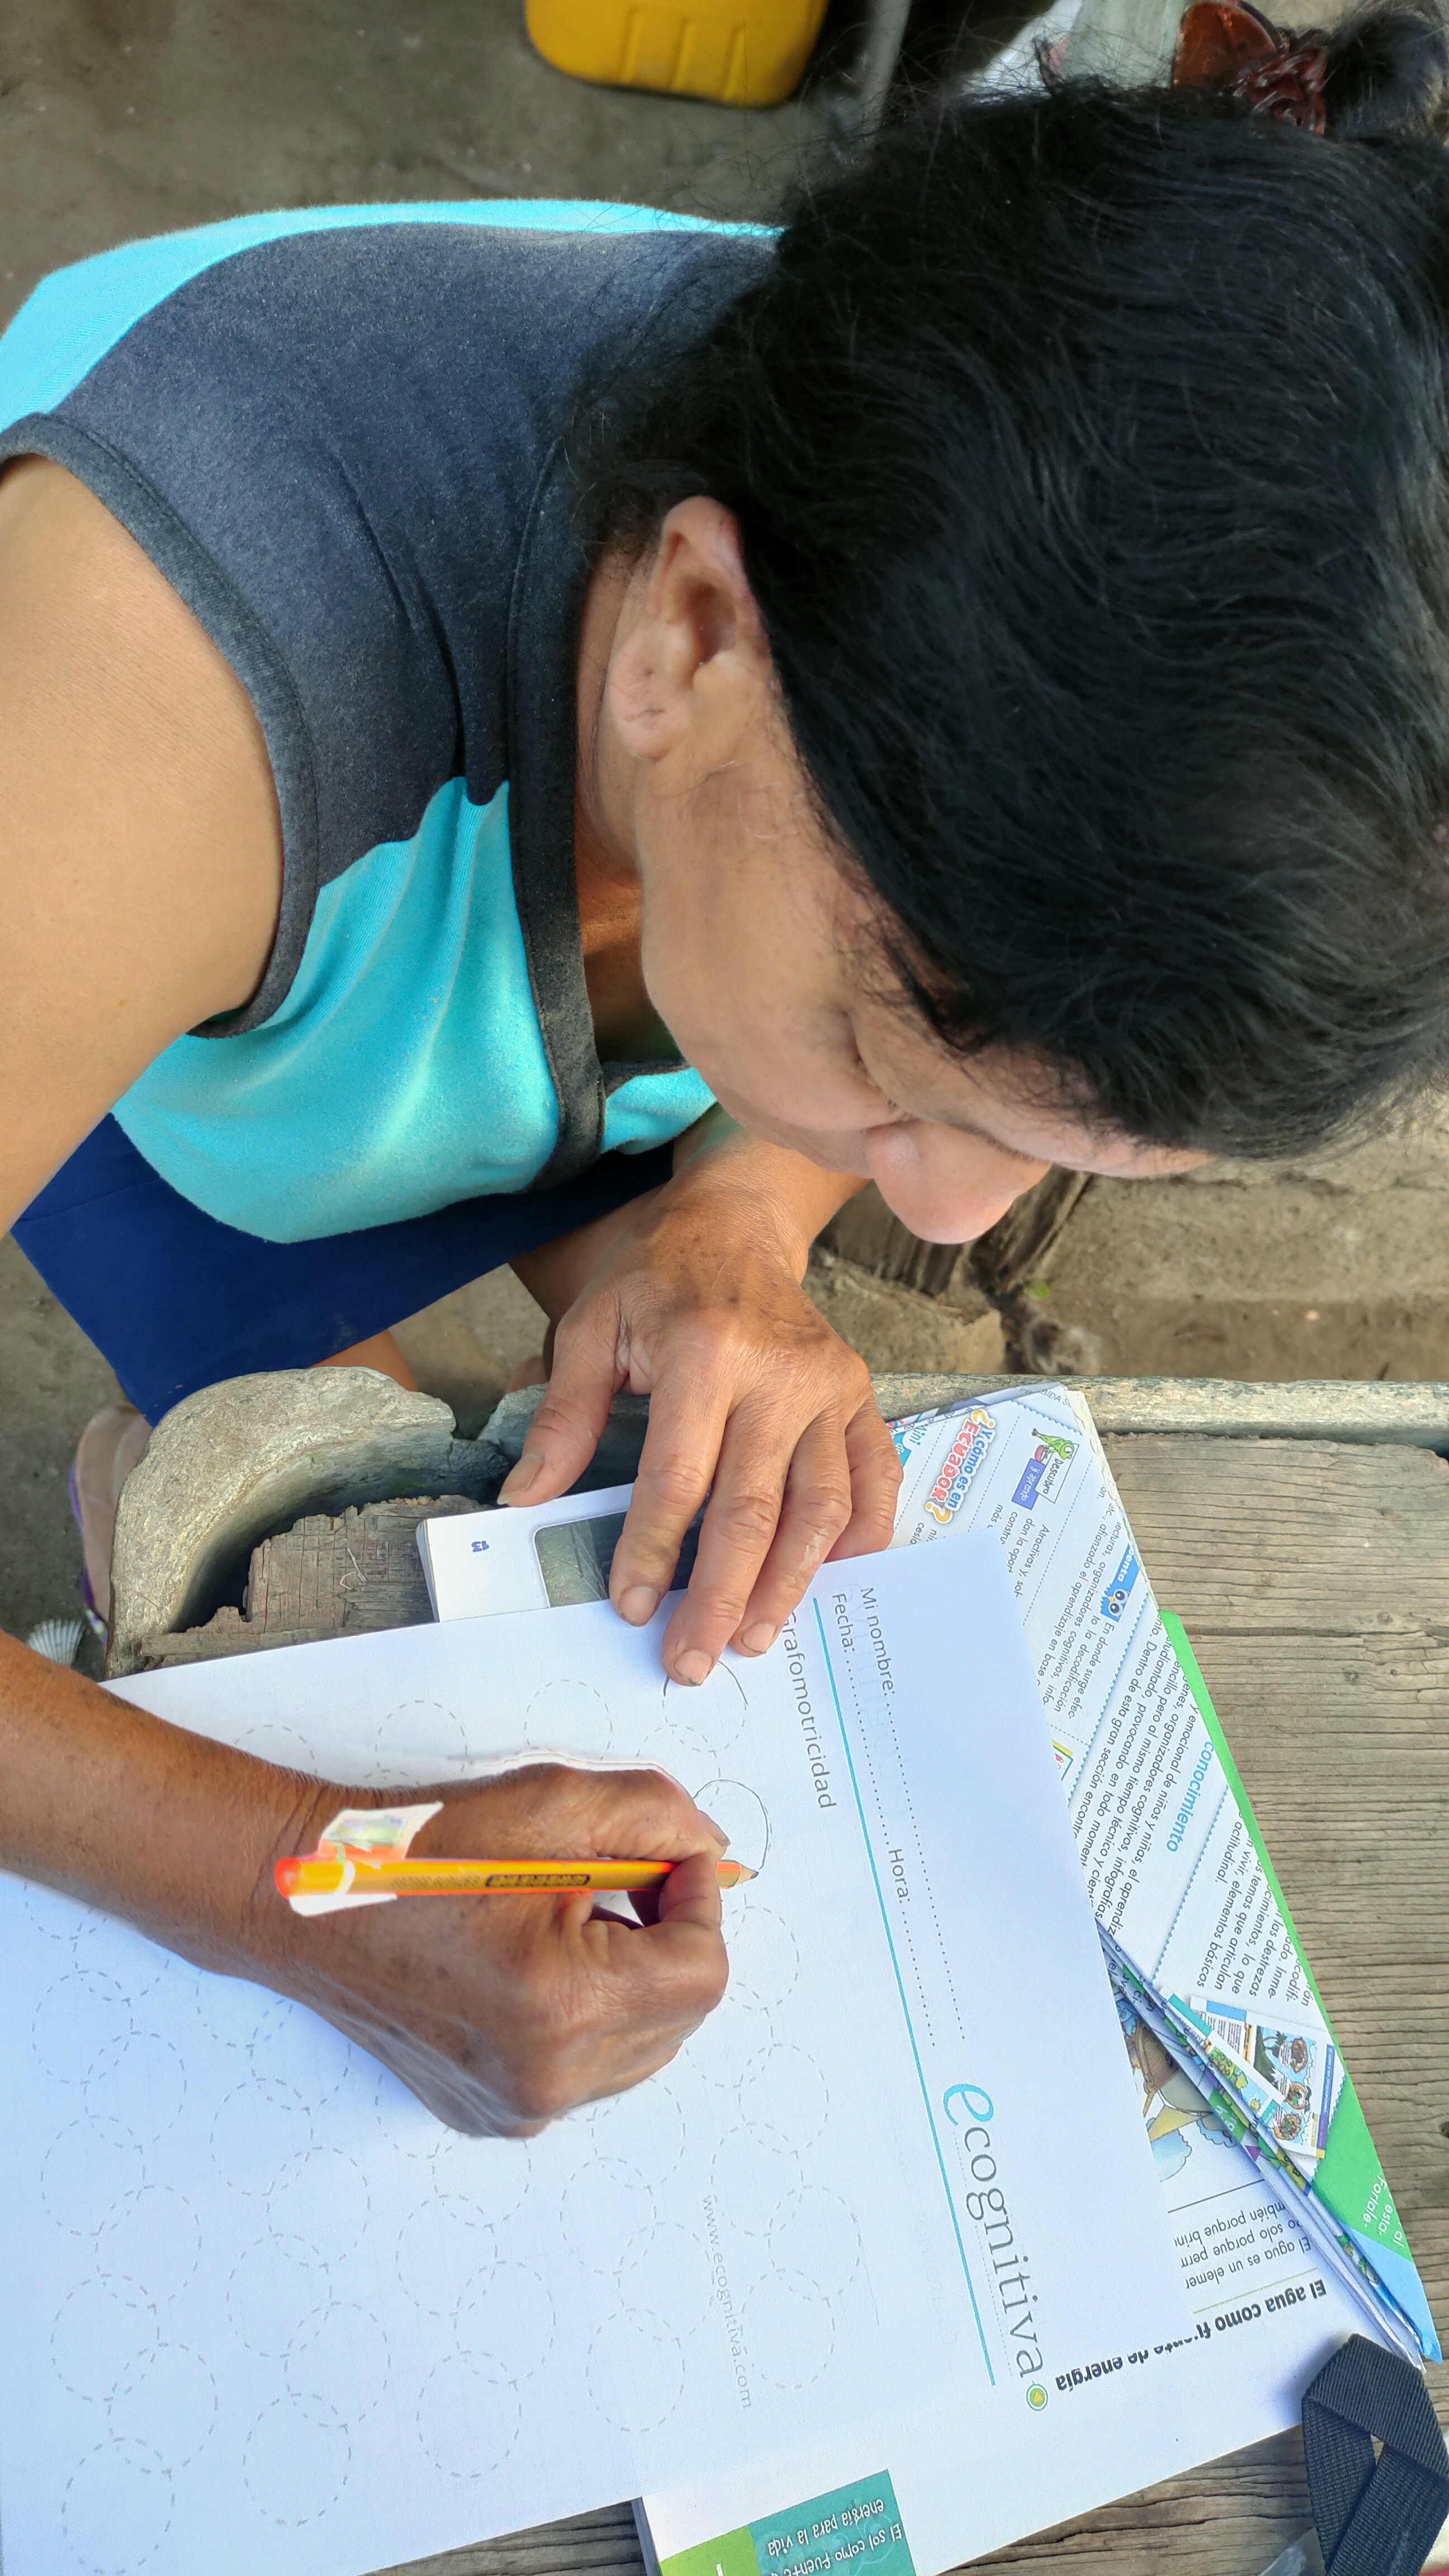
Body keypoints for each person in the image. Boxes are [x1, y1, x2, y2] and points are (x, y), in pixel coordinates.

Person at [3, 0, 1449, 2135]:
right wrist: (303, 1880)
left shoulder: (934, 565)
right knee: (286, 1489)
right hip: (168, 1049)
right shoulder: (128, 732)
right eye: (899, 1073)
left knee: (490, 1483)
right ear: (687, 635)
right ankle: (180, 1466)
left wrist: (740, 1216)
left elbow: (841, 1059)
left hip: (482, 972)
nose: (938, 1217)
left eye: (1058, 1153)